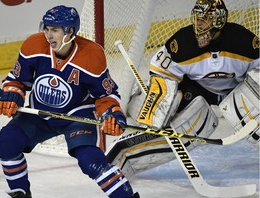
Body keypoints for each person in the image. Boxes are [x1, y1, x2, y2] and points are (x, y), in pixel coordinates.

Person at [0, 5, 147, 198]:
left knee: (90, 161)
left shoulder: (91, 55)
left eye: (55, 30)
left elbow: (105, 95)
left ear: (69, 32)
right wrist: (12, 92)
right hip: (39, 114)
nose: (48, 34)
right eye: (47, 28)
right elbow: (17, 79)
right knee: (7, 141)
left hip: (77, 116)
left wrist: (112, 113)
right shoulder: (33, 45)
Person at [109, 0, 259, 177]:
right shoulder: (182, 43)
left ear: (219, 20)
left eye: (204, 19)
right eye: (196, 18)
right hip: (197, 90)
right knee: (189, 127)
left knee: (248, 110)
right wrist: (157, 113)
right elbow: (161, 71)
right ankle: (126, 158)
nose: (198, 23)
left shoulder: (243, 41)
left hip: (236, 89)